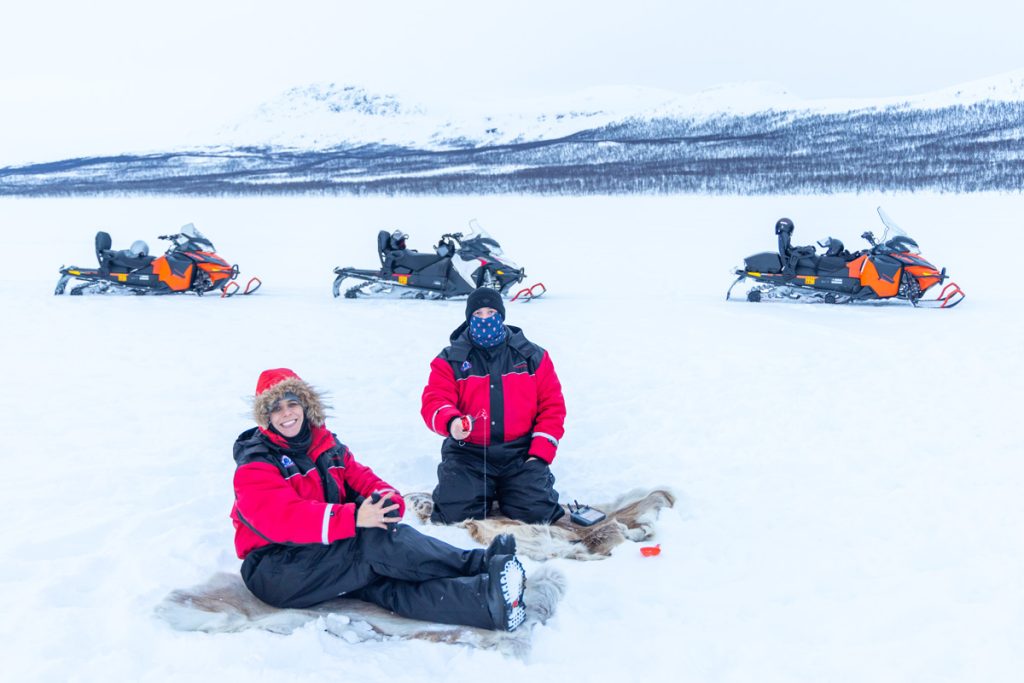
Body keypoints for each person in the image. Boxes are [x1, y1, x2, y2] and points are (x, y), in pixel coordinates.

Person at [231, 368, 527, 632]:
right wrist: (354, 518)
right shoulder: (256, 462)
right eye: (276, 408)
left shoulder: (326, 445)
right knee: (372, 545)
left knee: (381, 577)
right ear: (266, 417)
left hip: (321, 553)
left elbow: (363, 479)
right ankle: (477, 564)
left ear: (305, 405)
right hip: (275, 569)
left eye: (292, 403)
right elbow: (282, 518)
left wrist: (387, 501)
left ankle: (485, 602)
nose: (286, 414)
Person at [421, 288, 566, 525]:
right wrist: (452, 422)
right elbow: (435, 400)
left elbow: (552, 407)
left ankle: (509, 490)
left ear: (502, 315)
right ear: (469, 318)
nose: (485, 319)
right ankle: (483, 490)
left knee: (537, 515)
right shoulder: (450, 359)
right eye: (478, 313)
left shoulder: (532, 356)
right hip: (468, 453)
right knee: (455, 515)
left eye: (491, 312)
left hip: (520, 452)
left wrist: (539, 454)